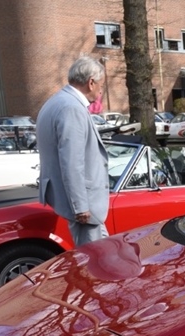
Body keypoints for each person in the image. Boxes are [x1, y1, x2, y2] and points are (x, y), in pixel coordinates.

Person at [36, 56, 109, 246]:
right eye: (101, 85)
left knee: (102, 250)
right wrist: (80, 206)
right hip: (84, 203)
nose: (101, 91)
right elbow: (71, 161)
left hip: (74, 197)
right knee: (94, 256)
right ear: (91, 83)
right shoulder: (71, 108)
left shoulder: (57, 101)